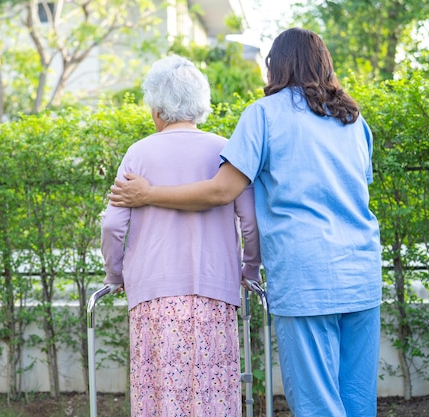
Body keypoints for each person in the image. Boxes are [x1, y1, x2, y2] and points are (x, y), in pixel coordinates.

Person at [108, 28, 382, 417]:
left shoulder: (264, 114)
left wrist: (148, 195)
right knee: (357, 402)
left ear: (276, 66)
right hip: (362, 274)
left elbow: (222, 192)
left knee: (319, 405)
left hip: (307, 278)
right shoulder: (354, 120)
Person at [100, 54, 261, 417]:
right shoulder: (226, 150)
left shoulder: (138, 153)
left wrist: (115, 275)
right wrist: (249, 272)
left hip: (152, 297)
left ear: (156, 109)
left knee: (159, 399)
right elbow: (250, 223)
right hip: (214, 294)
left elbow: (112, 225)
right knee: (212, 397)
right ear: (201, 105)